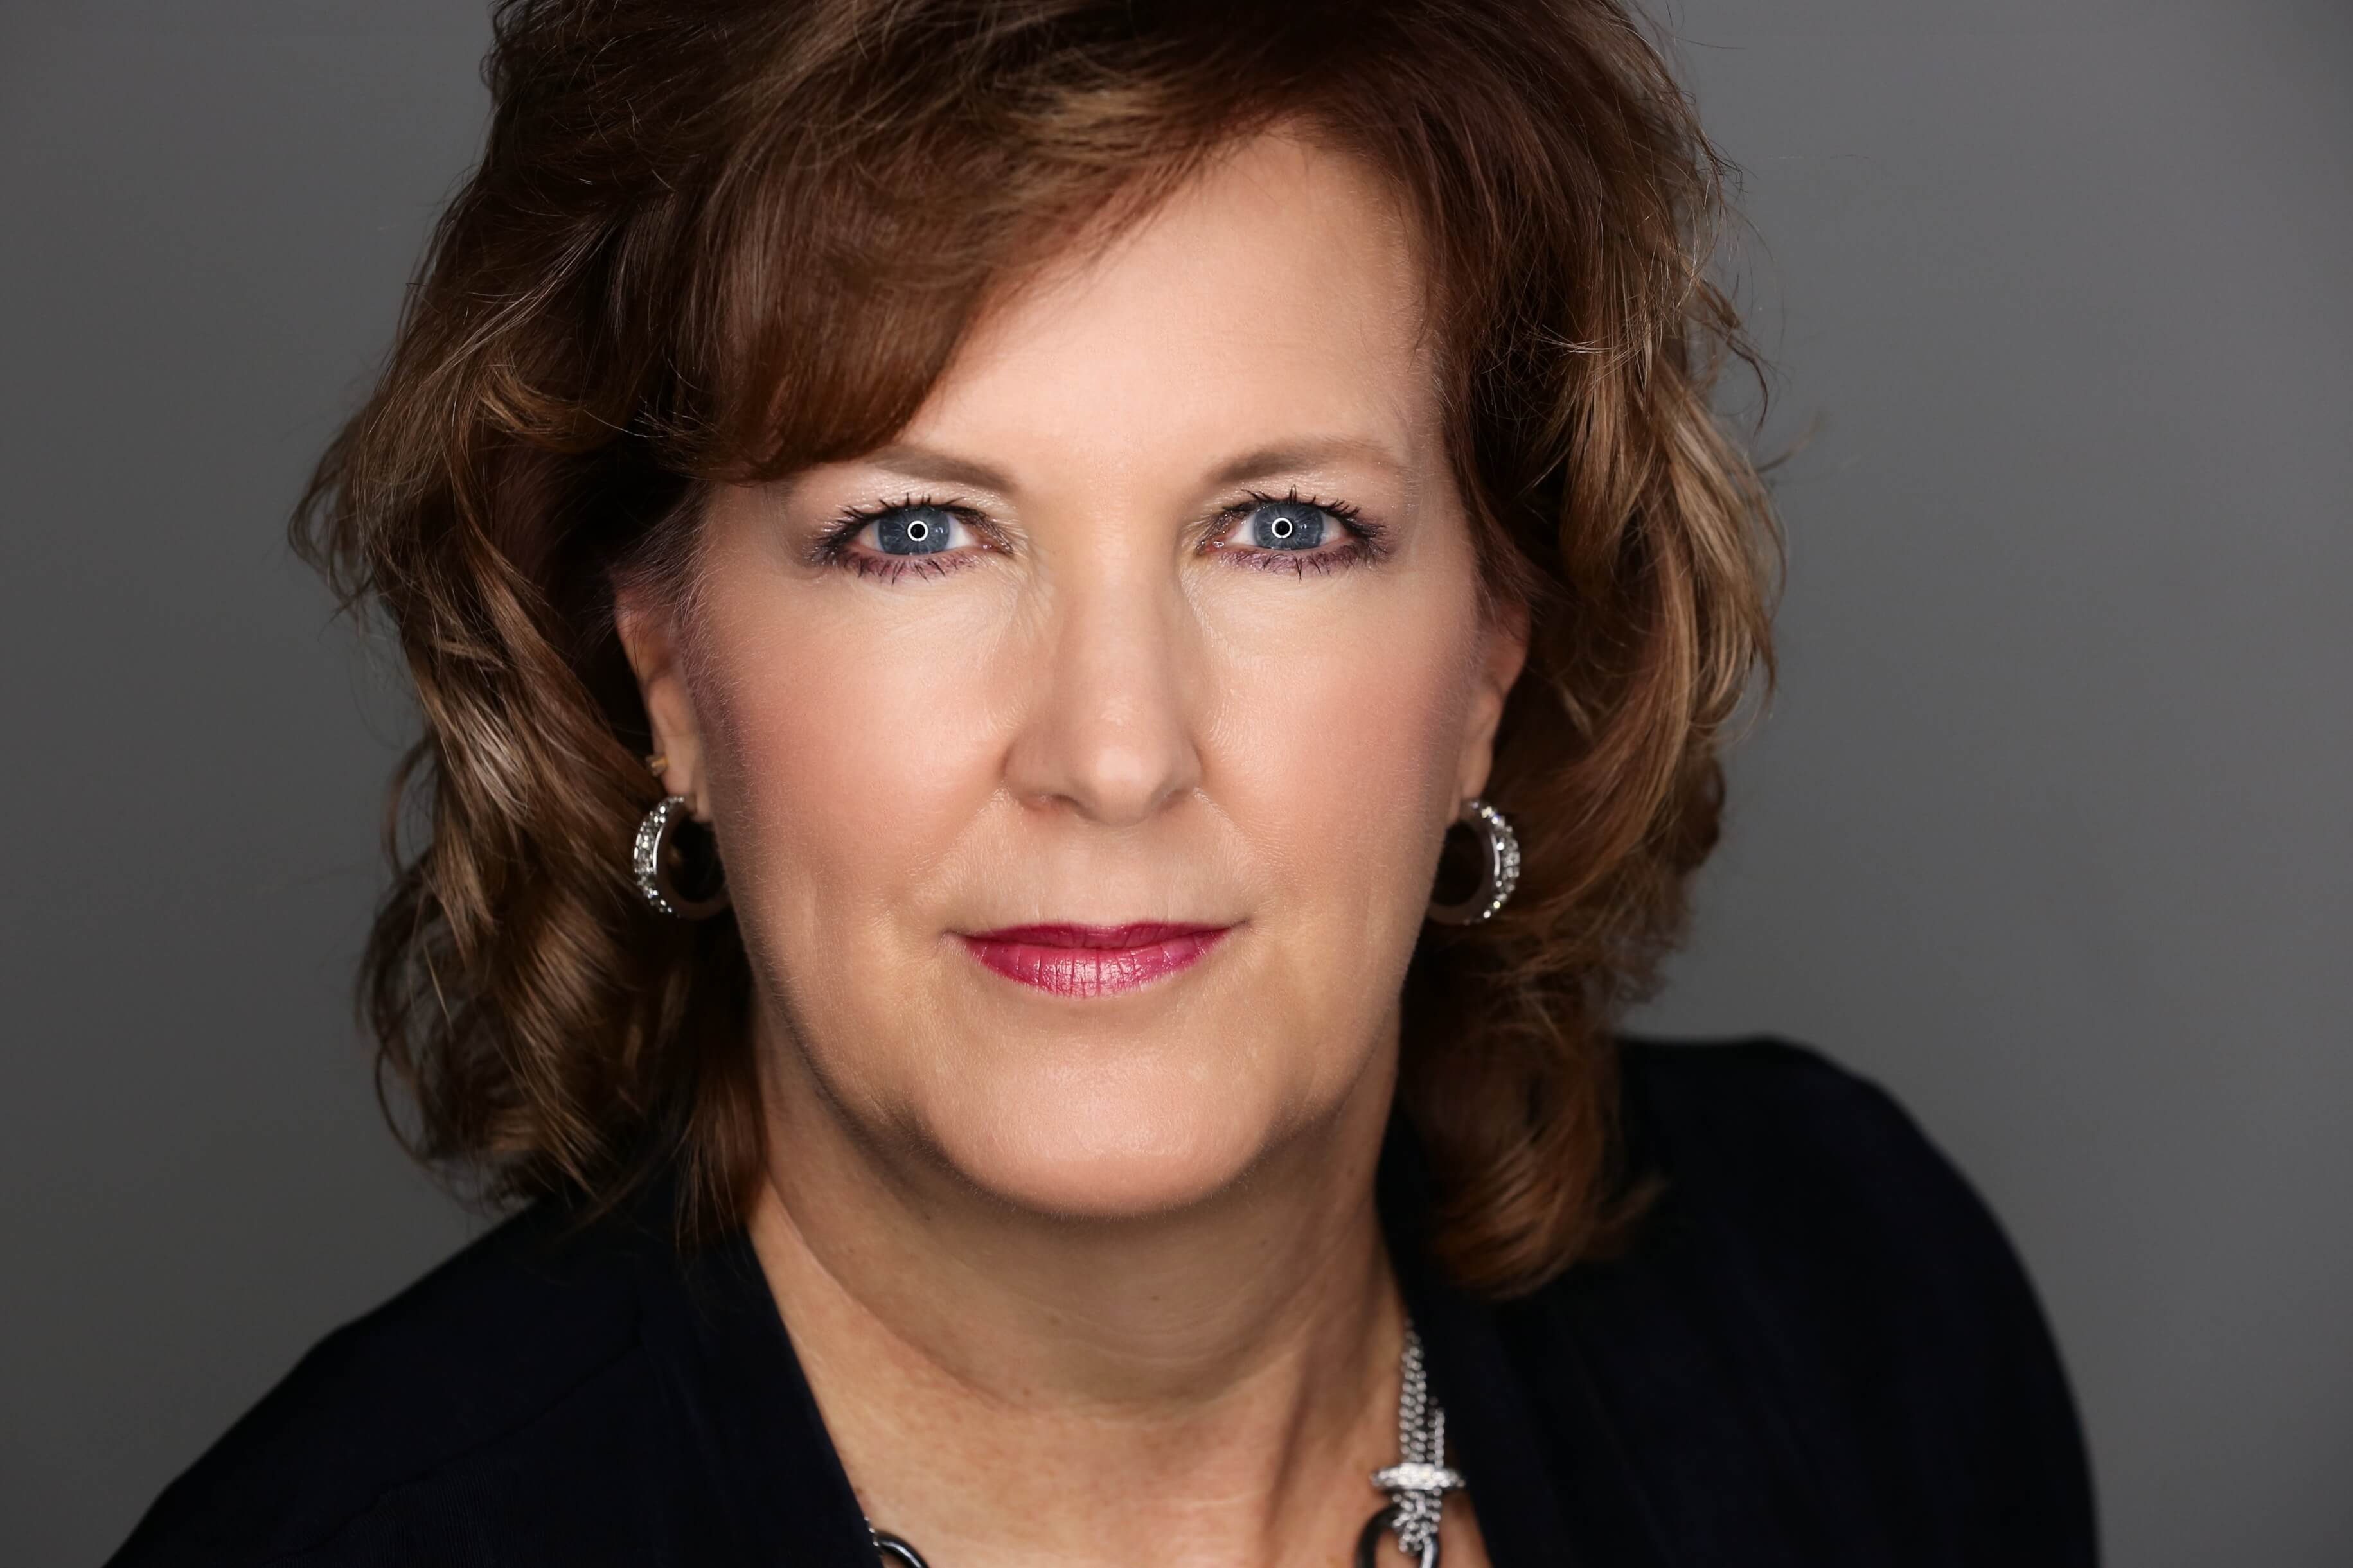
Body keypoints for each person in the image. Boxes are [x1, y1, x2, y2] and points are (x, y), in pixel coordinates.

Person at [109, 1, 2097, 1563]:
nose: (1116, 754)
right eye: (917, 533)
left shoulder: (1855, 1307)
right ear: (663, 664)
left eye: (1285, 526)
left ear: (1494, 649)